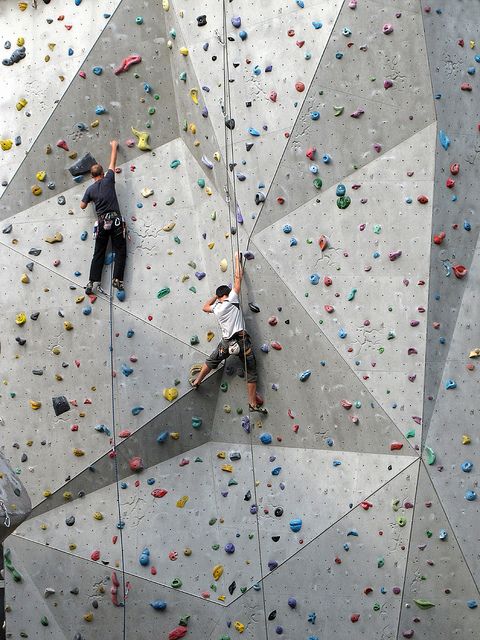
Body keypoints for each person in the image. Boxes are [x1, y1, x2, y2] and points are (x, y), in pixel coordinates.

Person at [192, 252, 267, 415]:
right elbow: (238, 278)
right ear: (227, 294)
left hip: (226, 343)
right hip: (242, 342)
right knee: (251, 371)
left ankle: (197, 380)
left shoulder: (217, 308)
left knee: (212, 360)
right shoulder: (231, 299)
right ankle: (252, 403)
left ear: (219, 296)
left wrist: (215, 297)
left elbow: (205, 306)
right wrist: (236, 259)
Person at [80, 140, 126, 294]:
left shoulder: (90, 189)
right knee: (120, 249)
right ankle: (117, 279)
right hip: (116, 221)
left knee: (99, 252)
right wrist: (113, 146)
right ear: (101, 174)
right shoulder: (109, 179)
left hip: (102, 222)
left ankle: (92, 281)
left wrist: (92, 198)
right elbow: (112, 162)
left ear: (92, 176)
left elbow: (82, 206)